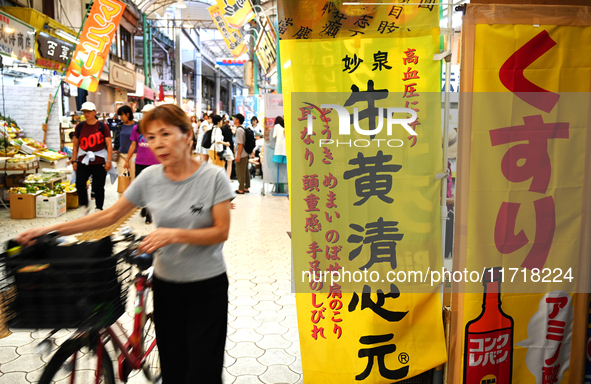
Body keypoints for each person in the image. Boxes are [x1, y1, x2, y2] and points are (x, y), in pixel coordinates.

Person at [17, 104, 234, 384]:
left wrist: (173, 234)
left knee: (203, 373)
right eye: (151, 137)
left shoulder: (213, 177)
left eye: (165, 134)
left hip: (207, 287)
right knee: (175, 370)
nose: (157, 144)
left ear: (188, 135)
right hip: (167, 286)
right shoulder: (150, 178)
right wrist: (49, 228)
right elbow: (109, 216)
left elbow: (221, 231)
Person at [71, 102, 113, 215]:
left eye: (89, 111)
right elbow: (75, 144)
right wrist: (74, 160)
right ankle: (84, 207)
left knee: (99, 186)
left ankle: (99, 207)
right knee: (79, 184)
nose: (86, 114)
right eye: (84, 112)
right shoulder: (79, 126)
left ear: (95, 112)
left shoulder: (102, 126)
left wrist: (109, 160)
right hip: (83, 159)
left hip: (99, 160)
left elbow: (109, 144)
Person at [124, 104, 159, 224]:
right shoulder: (137, 128)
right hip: (140, 162)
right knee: (142, 187)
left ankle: (149, 212)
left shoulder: (158, 128)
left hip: (155, 163)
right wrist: (127, 160)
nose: (145, 116)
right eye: (144, 114)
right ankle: (145, 206)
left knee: (153, 188)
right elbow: (133, 145)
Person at [210, 115, 234, 180]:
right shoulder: (218, 129)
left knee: (216, 167)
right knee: (218, 168)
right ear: (218, 122)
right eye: (221, 121)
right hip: (217, 151)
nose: (221, 122)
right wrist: (225, 143)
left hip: (214, 150)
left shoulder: (214, 128)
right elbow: (218, 140)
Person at [116, 105, 137, 180]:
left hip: (134, 155)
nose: (120, 117)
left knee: (133, 178)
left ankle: (133, 192)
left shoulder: (137, 126)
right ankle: (122, 192)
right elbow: (117, 139)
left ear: (128, 114)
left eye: (122, 115)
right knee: (122, 178)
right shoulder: (120, 126)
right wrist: (115, 149)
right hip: (121, 154)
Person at [233, 113, 249, 194]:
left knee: (240, 171)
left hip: (241, 153)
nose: (233, 120)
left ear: (238, 120)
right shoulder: (243, 128)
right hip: (245, 153)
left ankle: (241, 189)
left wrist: (238, 155)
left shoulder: (239, 130)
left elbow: (240, 143)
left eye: (235, 118)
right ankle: (246, 187)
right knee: (245, 171)